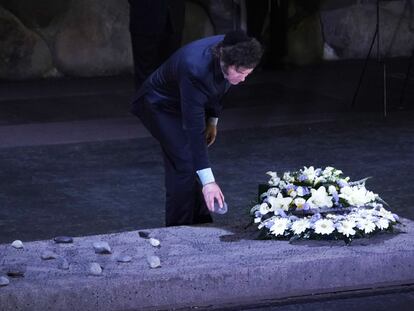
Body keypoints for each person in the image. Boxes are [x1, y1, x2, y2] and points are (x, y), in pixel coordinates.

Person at [131, 31, 263, 227]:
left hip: (187, 100)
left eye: (248, 73)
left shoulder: (233, 47)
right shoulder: (195, 69)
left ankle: (199, 222)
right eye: (242, 73)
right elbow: (193, 130)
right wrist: (209, 182)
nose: (244, 79)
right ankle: (179, 228)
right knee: (184, 162)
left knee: (188, 161)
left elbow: (219, 88)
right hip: (159, 105)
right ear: (227, 63)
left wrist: (213, 121)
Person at [128, 0, 185, 89]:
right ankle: (145, 102)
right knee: (145, 76)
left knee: (170, 75)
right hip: (145, 17)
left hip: (173, 18)